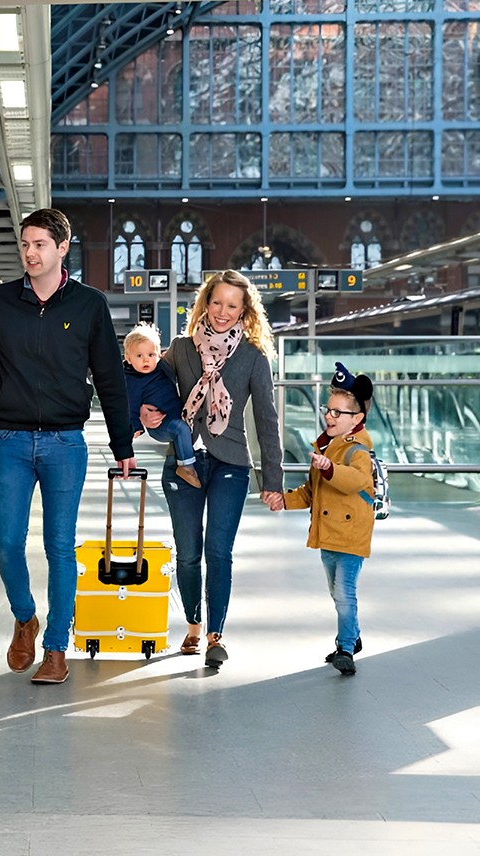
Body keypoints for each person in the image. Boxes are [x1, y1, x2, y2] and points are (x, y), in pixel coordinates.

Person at [0, 208, 136, 686]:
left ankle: (56, 648)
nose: (30, 253)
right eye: (25, 244)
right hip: (10, 441)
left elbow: (109, 379)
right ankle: (25, 618)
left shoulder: (89, 305)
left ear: (62, 249)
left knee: (59, 545)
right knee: (6, 544)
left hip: (65, 443)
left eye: (39, 244)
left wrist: (122, 443)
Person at [138, 270, 284, 670]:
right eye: (216, 302)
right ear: (205, 303)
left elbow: (267, 420)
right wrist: (146, 418)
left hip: (231, 462)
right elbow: (153, 394)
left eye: (232, 305)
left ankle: (216, 635)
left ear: (244, 311)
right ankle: (193, 625)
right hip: (182, 463)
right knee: (188, 553)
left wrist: (273, 481)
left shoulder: (253, 357)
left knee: (219, 551)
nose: (222, 311)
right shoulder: (180, 349)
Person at [284, 362, 377, 677]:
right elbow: (311, 493)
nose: (329, 416)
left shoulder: (357, 451)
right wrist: (283, 500)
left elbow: (356, 480)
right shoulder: (325, 447)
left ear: (357, 419)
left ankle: (346, 648)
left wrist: (330, 468)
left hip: (351, 534)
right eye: (328, 410)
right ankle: (353, 635)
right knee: (336, 592)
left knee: (344, 593)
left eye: (338, 412)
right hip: (328, 534)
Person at [123, 324, 201, 488]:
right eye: (139, 356)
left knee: (182, 427)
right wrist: (135, 426)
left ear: (158, 354)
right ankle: (186, 466)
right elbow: (131, 405)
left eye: (151, 354)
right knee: (180, 428)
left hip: (175, 414)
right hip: (160, 425)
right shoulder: (132, 380)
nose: (146, 359)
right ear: (128, 358)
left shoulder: (161, 368)